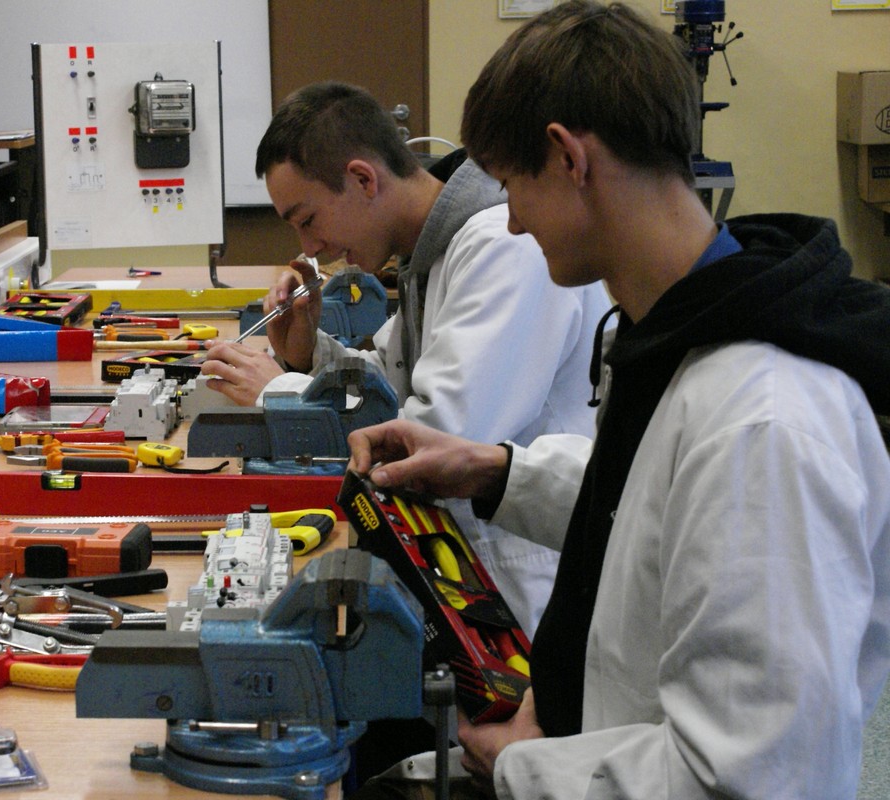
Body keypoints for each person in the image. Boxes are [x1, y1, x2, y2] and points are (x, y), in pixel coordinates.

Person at [348, 2, 890, 798]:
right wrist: (494, 470)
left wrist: (523, 767)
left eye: (512, 186)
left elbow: (755, 777)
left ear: (569, 157)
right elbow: (656, 509)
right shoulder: (682, 332)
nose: (512, 221)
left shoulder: (764, 423)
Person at [202, 81, 613, 637]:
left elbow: (431, 439)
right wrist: (307, 353)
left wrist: (278, 392)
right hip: (472, 572)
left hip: (524, 590)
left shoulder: (501, 247)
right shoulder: (432, 250)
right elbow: (390, 381)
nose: (309, 248)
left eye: (308, 219)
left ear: (363, 179)